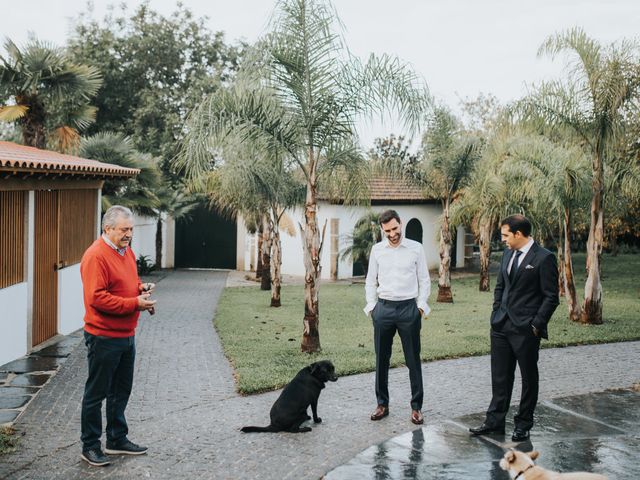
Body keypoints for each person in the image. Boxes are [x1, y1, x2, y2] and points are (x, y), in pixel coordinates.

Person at [470, 214, 559, 442]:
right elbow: (501, 286)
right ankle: (494, 422)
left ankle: (523, 424)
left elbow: (551, 297)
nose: (504, 240)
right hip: (500, 325)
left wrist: (537, 325)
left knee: (529, 378)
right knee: (500, 376)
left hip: (526, 329)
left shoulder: (544, 258)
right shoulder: (508, 253)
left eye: (506, 235)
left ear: (519, 234)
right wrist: (495, 311)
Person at [79, 205, 156, 466]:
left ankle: (116, 439)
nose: (129, 234)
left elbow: (126, 285)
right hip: (103, 336)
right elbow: (97, 298)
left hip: (126, 334)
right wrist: (135, 303)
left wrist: (140, 288)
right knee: (97, 393)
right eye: (124, 229)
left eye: (131, 229)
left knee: (120, 391)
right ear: (107, 228)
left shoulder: (126, 252)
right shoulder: (95, 256)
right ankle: (90, 445)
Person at [364, 209, 431, 425]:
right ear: (382, 230)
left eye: (394, 228)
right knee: (381, 359)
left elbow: (425, 279)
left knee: (413, 360)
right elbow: (370, 280)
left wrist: (420, 308)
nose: (392, 234)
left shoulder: (416, 248)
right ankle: (382, 404)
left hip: (408, 310)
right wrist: (372, 308)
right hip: (383, 309)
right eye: (387, 231)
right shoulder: (377, 250)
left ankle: (416, 407)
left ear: (400, 224)